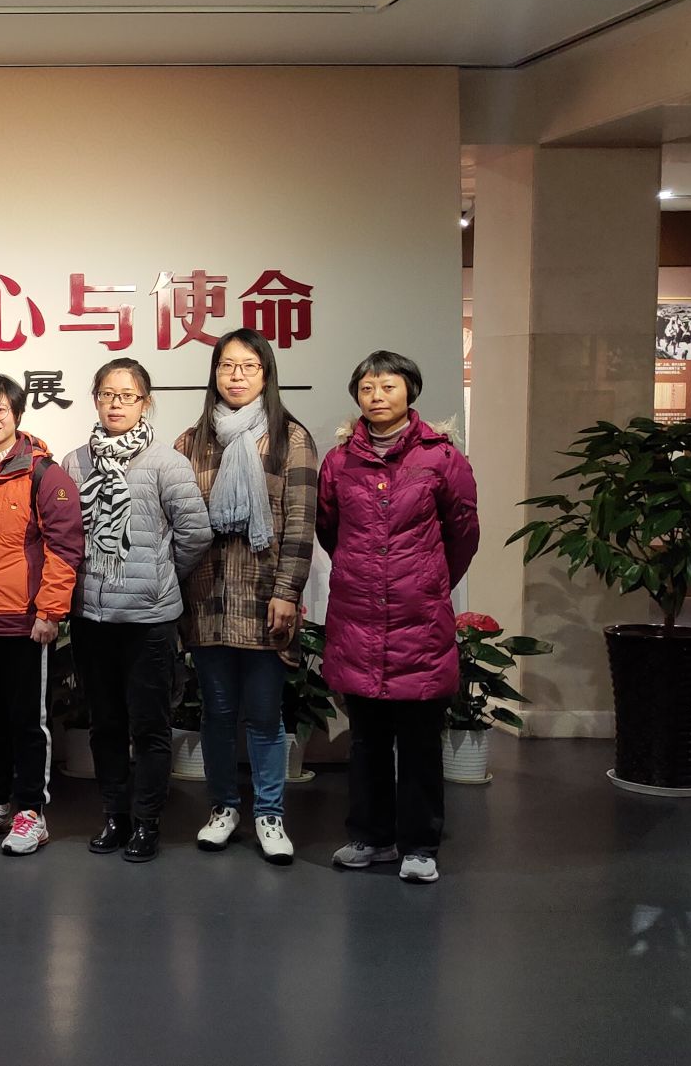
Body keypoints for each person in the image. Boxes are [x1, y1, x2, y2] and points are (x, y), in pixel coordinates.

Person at [319, 351, 479, 885]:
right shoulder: (339, 462)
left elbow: (463, 533)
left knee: (419, 742)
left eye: (388, 386)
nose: (377, 396)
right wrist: (364, 573)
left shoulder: (442, 458)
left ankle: (420, 845)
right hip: (358, 618)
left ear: (410, 391)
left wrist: (427, 582)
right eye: (367, 388)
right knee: (365, 739)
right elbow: (329, 529)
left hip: (419, 620)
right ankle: (370, 837)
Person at [174, 328, 319, 867]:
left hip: (265, 596)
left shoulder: (290, 438)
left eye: (248, 366)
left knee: (263, 715)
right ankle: (223, 808)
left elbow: (300, 523)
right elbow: (178, 523)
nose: (236, 376)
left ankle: (270, 814)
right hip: (208, 595)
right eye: (226, 366)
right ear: (214, 374)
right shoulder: (191, 442)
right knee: (216, 712)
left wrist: (287, 592)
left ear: (266, 374)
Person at [61, 358, 211, 863]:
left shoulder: (167, 462)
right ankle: (114, 816)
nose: (116, 404)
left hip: (148, 620)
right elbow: (67, 536)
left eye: (127, 395)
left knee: (149, 726)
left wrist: (158, 576)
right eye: (107, 394)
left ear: (146, 402)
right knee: (104, 724)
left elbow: (195, 535)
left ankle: (147, 821)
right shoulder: (75, 462)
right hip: (92, 618)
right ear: (95, 400)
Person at [0, 372, 85, 856]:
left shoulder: (44, 473)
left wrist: (50, 611)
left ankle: (31, 812)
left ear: (17, 413)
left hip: (23, 620)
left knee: (28, 721)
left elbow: (65, 547)